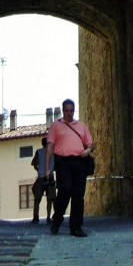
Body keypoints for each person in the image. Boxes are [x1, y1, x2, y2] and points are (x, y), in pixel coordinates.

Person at [45, 98, 94, 238]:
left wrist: (88, 151)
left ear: (74, 111)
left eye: (71, 110)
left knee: (78, 195)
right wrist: (47, 168)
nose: (69, 113)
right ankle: (57, 220)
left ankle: (76, 227)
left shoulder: (81, 126)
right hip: (63, 162)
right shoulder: (55, 126)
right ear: (62, 110)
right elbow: (50, 146)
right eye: (66, 110)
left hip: (79, 162)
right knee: (64, 191)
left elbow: (90, 143)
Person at [31, 136, 56, 223]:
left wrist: (38, 169)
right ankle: (49, 217)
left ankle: (36, 217)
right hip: (50, 177)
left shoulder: (39, 152)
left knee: (37, 199)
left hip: (41, 177)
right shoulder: (54, 152)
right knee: (51, 199)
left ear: (42, 144)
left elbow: (34, 164)